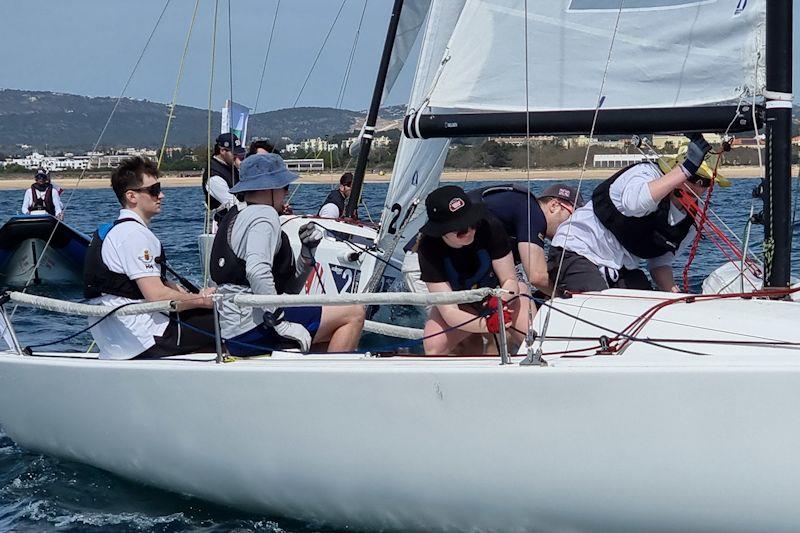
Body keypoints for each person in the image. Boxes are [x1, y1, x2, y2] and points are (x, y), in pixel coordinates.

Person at [210, 153, 365, 356]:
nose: (286, 194)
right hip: (254, 327)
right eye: (285, 187)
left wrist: (306, 253)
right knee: (354, 312)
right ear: (270, 188)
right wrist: (280, 322)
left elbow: (289, 287)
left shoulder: (234, 216)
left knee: (327, 320)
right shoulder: (264, 216)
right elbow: (257, 272)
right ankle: (332, 382)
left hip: (234, 330)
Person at [548, 134, 728, 294]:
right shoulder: (645, 174)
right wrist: (686, 169)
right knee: (602, 306)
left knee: (650, 310)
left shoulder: (690, 221)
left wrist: (676, 296)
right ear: (675, 170)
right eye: (693, 178)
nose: (698, 187)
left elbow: (659, 263)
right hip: (577, 250)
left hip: (621, 267)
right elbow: (635, 205)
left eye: (706, 183)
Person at [84, 156, 217, 360]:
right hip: (143, 339)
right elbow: (156, 296)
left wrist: (177, 290)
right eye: (154, 190)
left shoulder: (112, 231)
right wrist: (203, 300)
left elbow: (135, 284)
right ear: (132, 196)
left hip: (114, 339)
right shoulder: (135, 235)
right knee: (228, 321)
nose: (161, 195)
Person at [402, 182, 583, 297]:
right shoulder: (531, 212)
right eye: (573, 218)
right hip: (430, 265)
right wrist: (568, 299)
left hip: (443, 265)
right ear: (554, 206)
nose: (574, 228)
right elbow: (537, 277)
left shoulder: (514, 209)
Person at [417, 185, 531, 355]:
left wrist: (499, 302)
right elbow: (449, 311)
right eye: (461, 229)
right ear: (441, 231)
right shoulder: (428, 248)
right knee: (434, 346)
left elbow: (510, 280)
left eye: (472, 223)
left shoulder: (490, 225)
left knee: (530, 336)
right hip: (461, 303)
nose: (470, 231)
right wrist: (487, 324)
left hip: (501, 296)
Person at [202, 132, 246, 215]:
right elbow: (234, 205)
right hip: (225, 222)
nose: (238, 158)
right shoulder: (213, 177)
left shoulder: (231, 167)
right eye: (234, 154)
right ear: (222, 151)